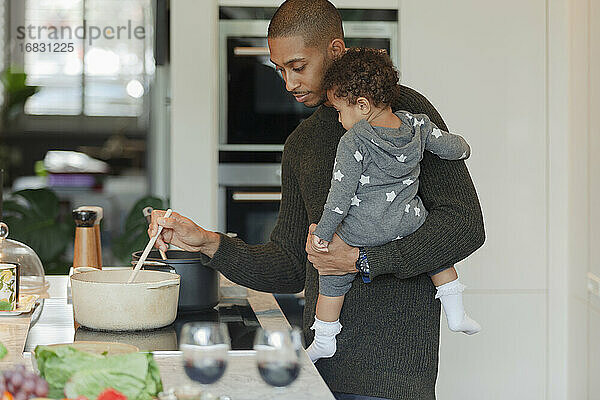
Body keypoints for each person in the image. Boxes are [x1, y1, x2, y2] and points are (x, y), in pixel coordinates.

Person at [149, 1, 485, 398]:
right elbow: (292, 266)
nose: (289, 83)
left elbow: (464, 225)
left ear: (335, 51)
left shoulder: (402, 111)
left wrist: (363, 261)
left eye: (298, 66)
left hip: (393, 377)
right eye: (280, 70)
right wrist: (209, 242)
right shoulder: (302, 144)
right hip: (322, 368)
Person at [306, 48, 481, 363]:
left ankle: (324, 337)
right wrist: (465, 148)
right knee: (437, 259)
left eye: (339, 110)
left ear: (361, 106)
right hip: (408, 222)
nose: (338, 118)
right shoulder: (416, 124)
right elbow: (452, 146)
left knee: (332, 274)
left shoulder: (355, 140)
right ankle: (457, 314)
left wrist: (325, 233)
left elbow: (340, 194)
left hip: (364, 228)